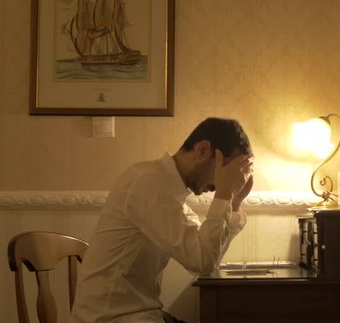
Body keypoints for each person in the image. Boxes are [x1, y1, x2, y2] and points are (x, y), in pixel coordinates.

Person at [71, 117, 254, 323]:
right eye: (227, 170)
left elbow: (204, 252)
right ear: (203, 150)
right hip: (112, 318)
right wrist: (224, 194)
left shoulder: (168, 190)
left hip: (139, 314)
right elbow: (201, 261)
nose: (221, 182)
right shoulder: (149, 184)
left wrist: (234, 202)